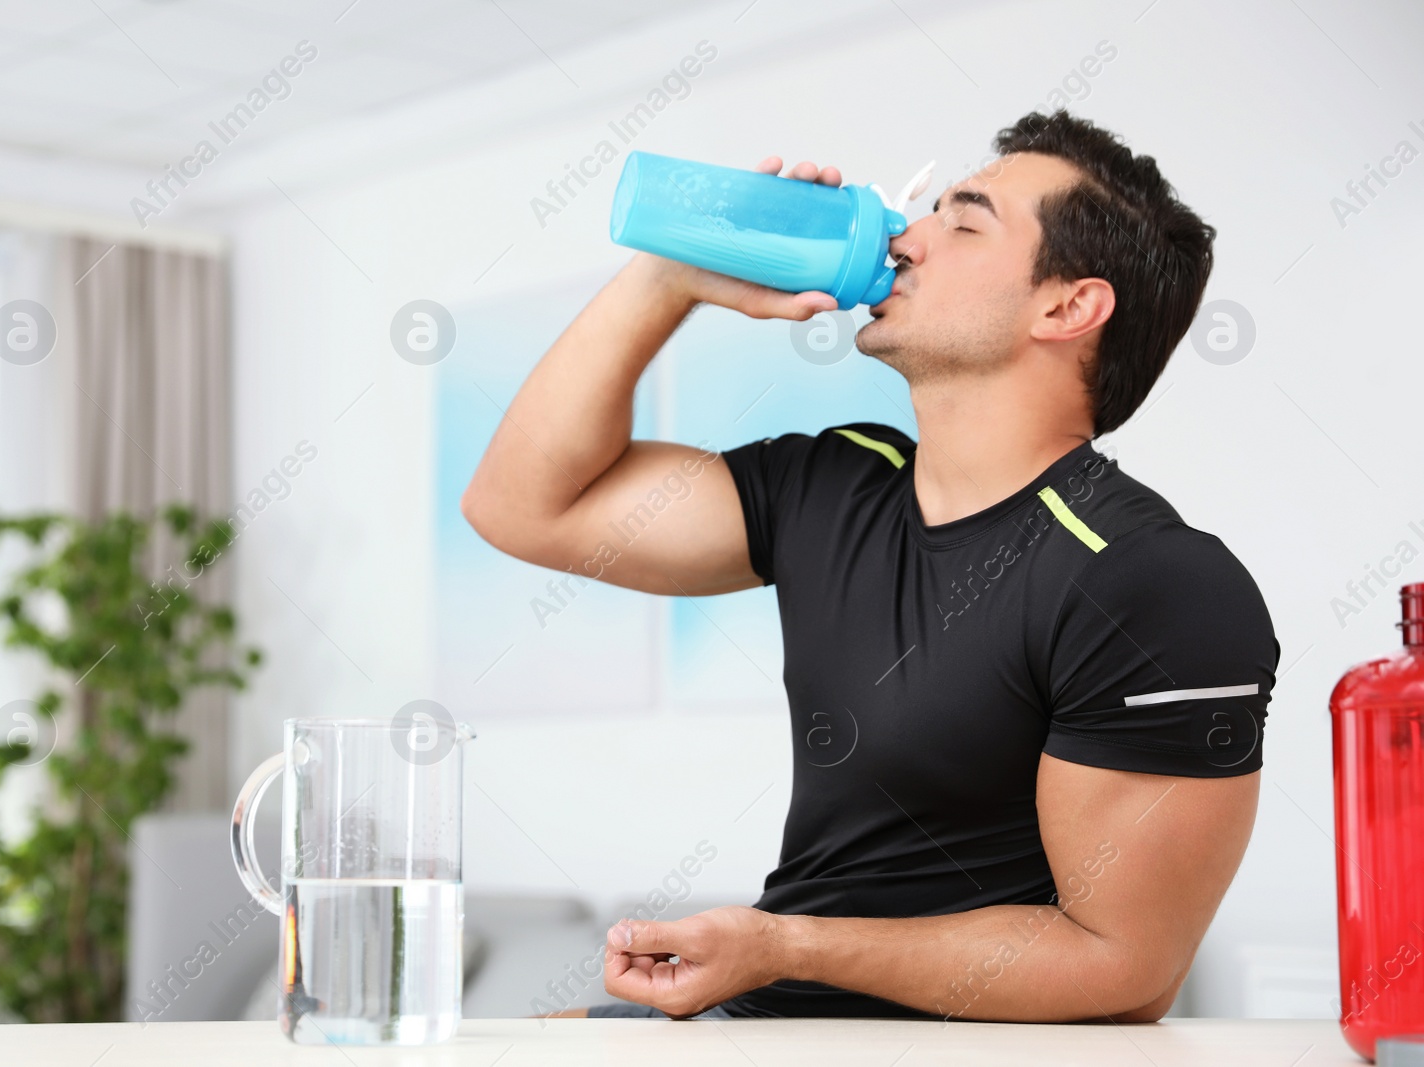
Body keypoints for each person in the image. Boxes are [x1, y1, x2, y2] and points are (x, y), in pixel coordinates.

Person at [460, 110, 1278, 1023]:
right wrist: (673, 275)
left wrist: (783, 946)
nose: (906, 238)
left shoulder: (1151, 580)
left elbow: (1121, 970)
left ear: (1067, 307)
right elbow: (523, 508)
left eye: (963, 223)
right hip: (764, 1023)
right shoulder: (840, 482)